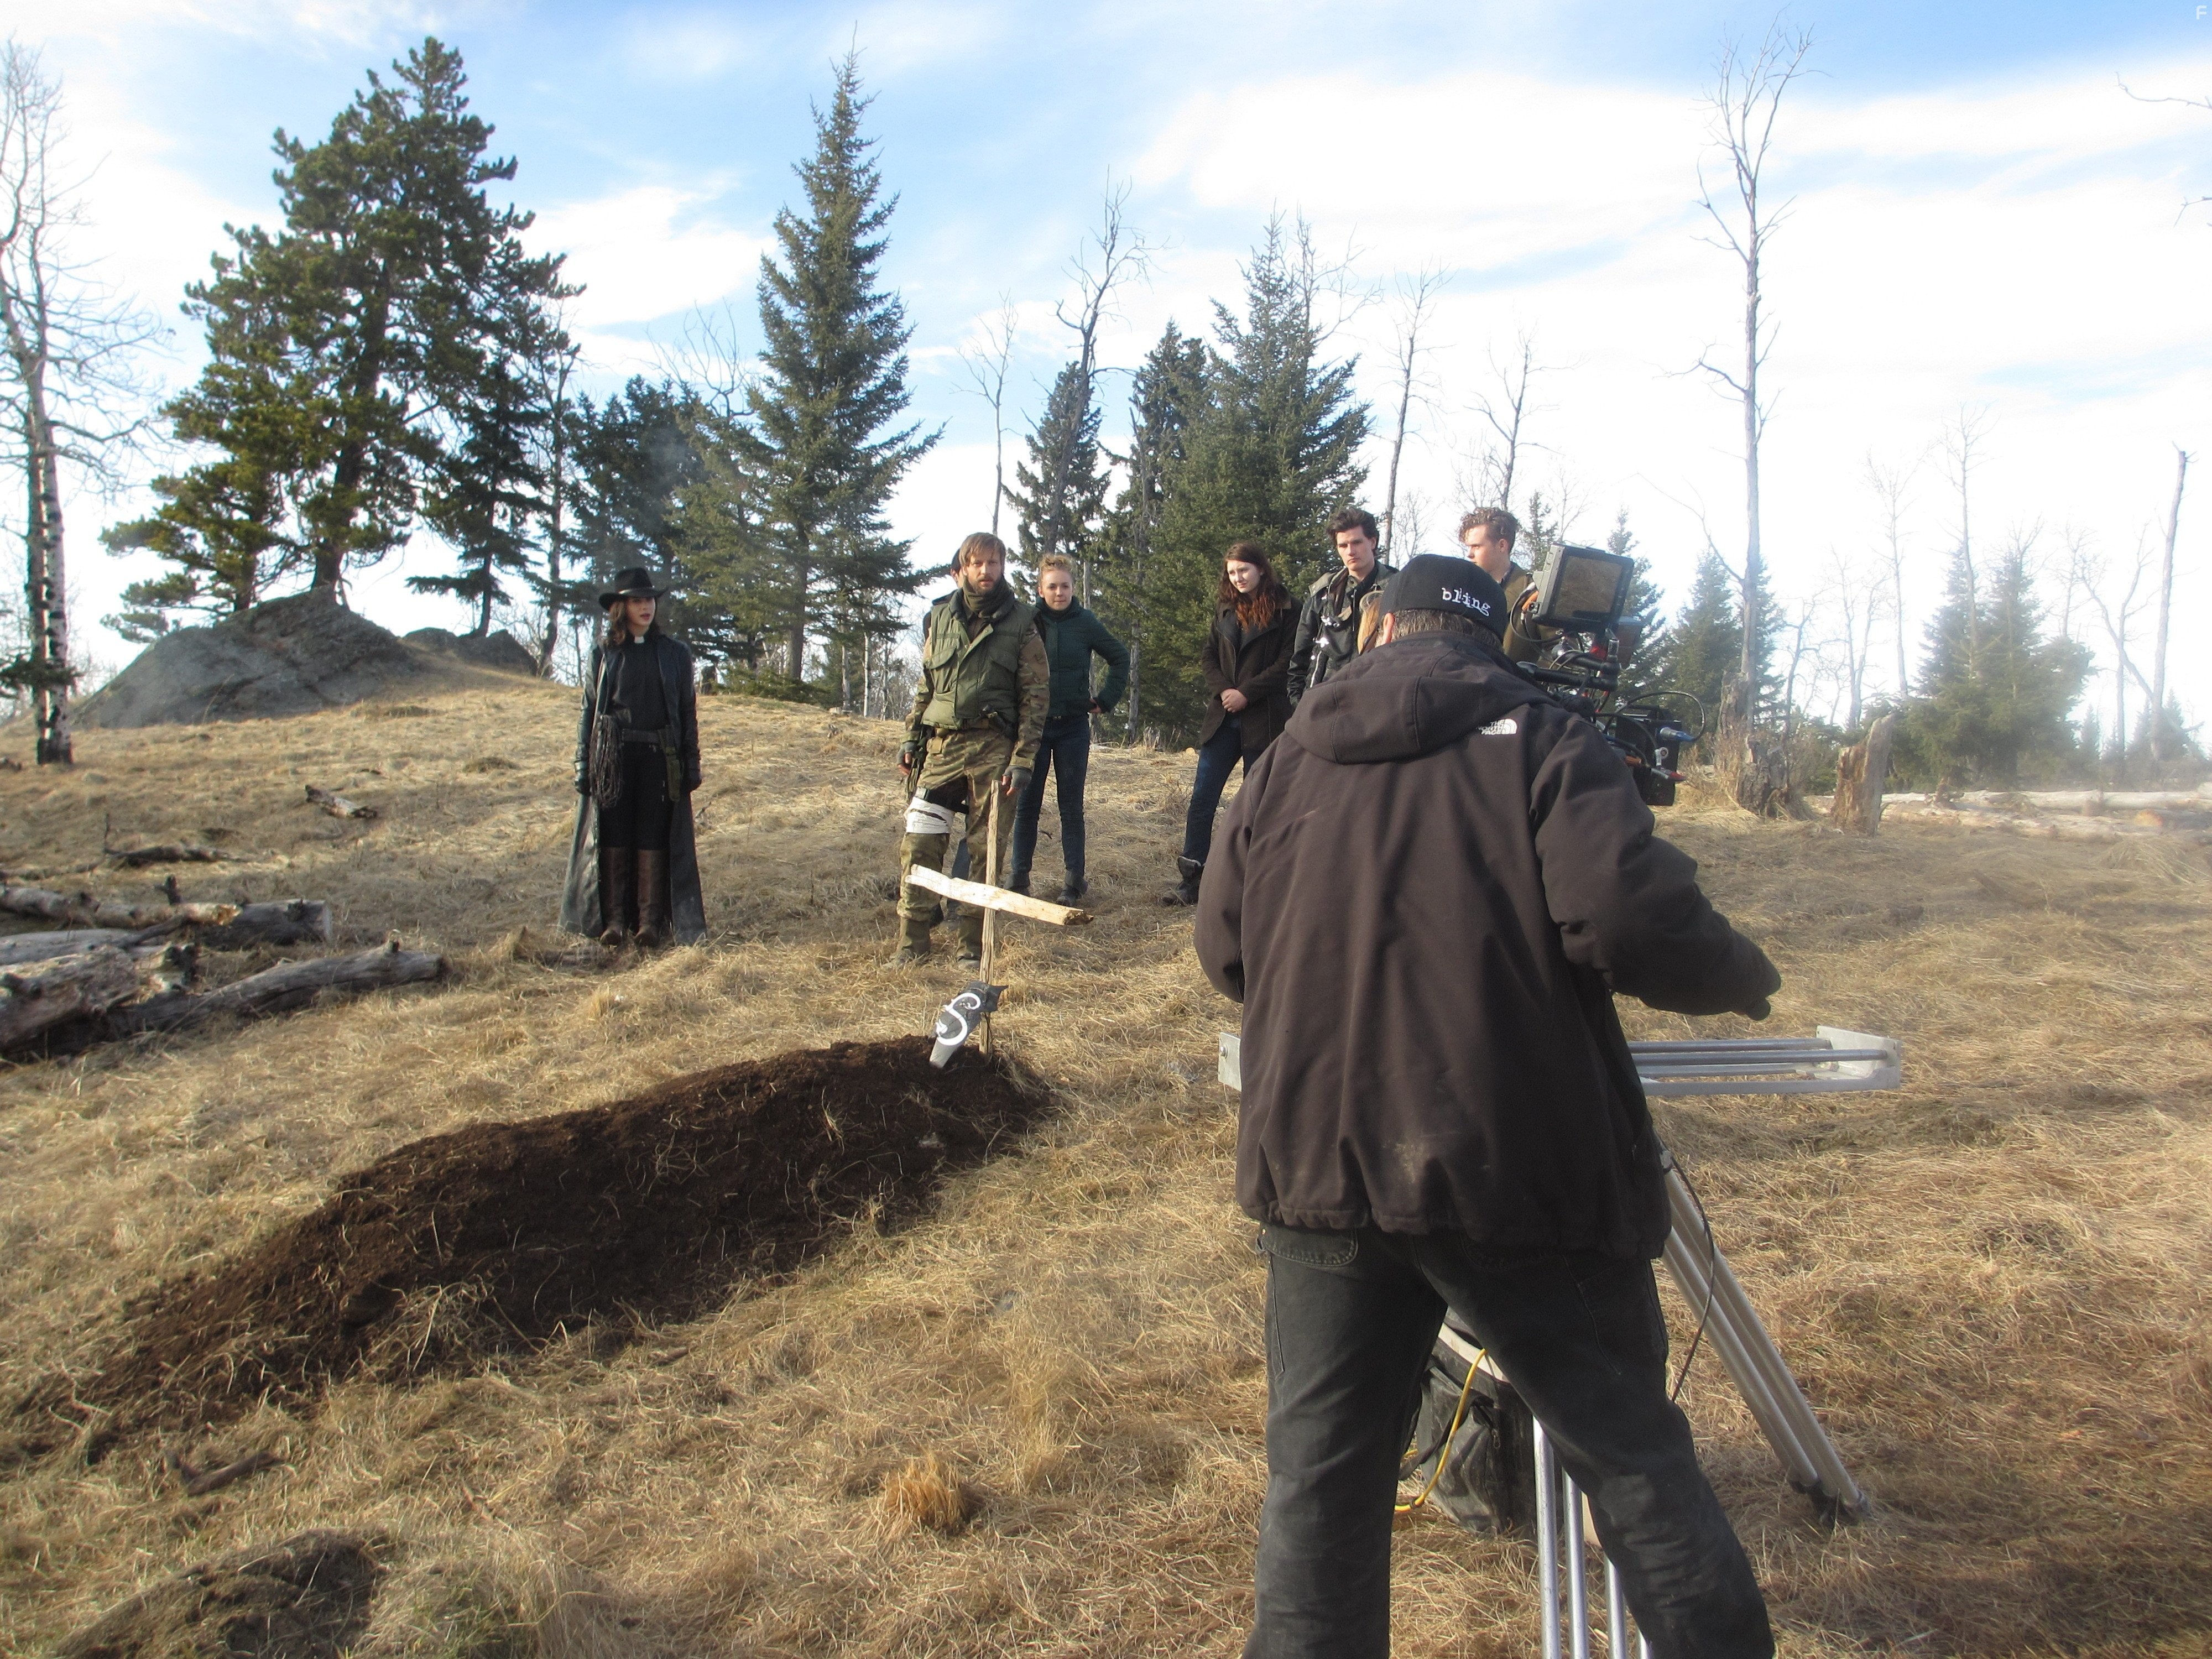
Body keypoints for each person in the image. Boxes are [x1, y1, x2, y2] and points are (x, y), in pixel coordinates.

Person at [1195, 554, 1782, 1659]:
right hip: (1518, 1170)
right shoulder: (1546, 739)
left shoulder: (1280, 762)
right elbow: (1625, 915)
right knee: (1629, 1459)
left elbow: (1223, 948)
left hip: (1317, 1165)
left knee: (1317, 1487)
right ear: (1484, 641)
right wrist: (1742, 974)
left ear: (1376, 632)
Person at [895, 531, 1048, 967]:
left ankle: (971, 948)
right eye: (978, 563)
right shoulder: (940, 617)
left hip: (993, 750)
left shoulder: (1022, 622)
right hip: (940, 749)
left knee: (985, 850)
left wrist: (1023, 759)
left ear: (1003, 567)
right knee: (919, 845)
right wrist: (911, 738)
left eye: (994, 563)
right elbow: (927, 685)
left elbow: (1035, 699)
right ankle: (912, 945)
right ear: (963, 567)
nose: (987, 571)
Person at [560, 566, 706, 950]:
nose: (646, 607)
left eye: (650, 600)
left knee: (652, 836)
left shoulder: (675, 654)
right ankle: (614, 922)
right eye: (637, 601)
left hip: (659, 760)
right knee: (614, 834)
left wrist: (691, 764)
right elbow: (588, 711)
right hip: (613, 760)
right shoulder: (604, 654)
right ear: (621, 607)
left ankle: (649, 924)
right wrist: (583, 764)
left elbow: (687, 713)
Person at [1165, 542, 1295, 907]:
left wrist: (1246, 694)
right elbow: (1208, 655)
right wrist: (1225, 690)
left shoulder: (1289, 609)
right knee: (1203, 799)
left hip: (1264, 719)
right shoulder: (1224, 606)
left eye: (1244, 570)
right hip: (1223, 718)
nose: (1237, 578)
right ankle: (1191, 879)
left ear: (1261, 569)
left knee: (1258, 804)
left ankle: (1253, 885)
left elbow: (1288, 662)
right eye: (1232, 572)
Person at [1008, 552, 1128, 905]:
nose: (1059, 593)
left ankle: (1074, 882)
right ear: (1040, 588)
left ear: (1074, 588)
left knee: (1071, 807)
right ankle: (1019, 880)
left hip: (1073, 728)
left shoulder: (1085, 622)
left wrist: (1105, 699)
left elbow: (1119, 657)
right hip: (1034, 729)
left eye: (1065, 586)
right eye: (1052, 587)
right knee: (1026, 805)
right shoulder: (1027, 621)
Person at [1285, 506, 1395, 706]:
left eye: (1357, 542)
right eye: (1343, 545)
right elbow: (1300, 654)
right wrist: (1298, 703)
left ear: (1373, 541)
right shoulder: (1323, 593)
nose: (1350, 551)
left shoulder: (1397, 589)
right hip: (1323, 701)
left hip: (1377, 700)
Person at [1458, 504, 1552, 665]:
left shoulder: (1535, 592)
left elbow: (1560, 654)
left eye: (1477, 546)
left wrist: (1529, 685)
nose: (1469, 554)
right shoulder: (1461, 592)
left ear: (1502, 545)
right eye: (1469, 547)